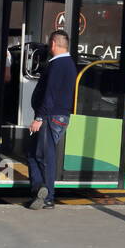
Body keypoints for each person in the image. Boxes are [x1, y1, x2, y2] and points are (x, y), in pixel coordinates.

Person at [26, 29, 77, 209]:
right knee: (33, 154)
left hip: (50, 116)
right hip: (56, 116)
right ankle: (39, 190)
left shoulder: (58, 64)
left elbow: (50, 93)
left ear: (53, 44)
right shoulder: (68, 63)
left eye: (49, 45)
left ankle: (47, 196)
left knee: (43, 156)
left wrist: (39, 117)